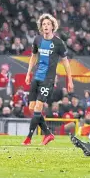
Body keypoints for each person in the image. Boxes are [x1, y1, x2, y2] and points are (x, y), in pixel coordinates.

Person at [22, 13, 74, 146]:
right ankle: (48, 134)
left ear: (52, 27)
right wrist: (28, 73)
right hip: (36, 77)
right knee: (32, 108)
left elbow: (66, 63)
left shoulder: (58, 43)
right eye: (43, 24)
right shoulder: (37, 40)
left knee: (38, 107)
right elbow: (33, 57)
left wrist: (70, 80)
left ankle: (28, 138)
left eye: (48, 24)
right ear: (41, 27)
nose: (45, 26)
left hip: (48, 79)